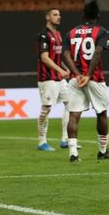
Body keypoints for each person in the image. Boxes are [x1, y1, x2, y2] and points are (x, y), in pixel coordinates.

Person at [62, 0, 109, 162]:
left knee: (74, 115)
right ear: (97, 16)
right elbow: (98, 52)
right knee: (101, 113)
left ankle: (73, 153)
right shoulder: (102, 31)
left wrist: (77, 74)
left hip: (75, 80)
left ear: (82, 15)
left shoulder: (70, 33)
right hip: (95, 78)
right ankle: (102, 151)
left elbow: (65, 55)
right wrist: (88, 75)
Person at [36, 8, 71, 151]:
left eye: (59, 14)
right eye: (55, 15)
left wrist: (65, 68)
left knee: (70, 103)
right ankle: (41, 142)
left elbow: (56, 57)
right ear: (47, 17)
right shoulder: (43, 35)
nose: (58, 17)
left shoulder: (58, 35)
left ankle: (65, 139)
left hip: (58, 77)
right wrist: (61, 70)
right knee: (46, 108)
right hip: (47, 77)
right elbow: (44, 58)